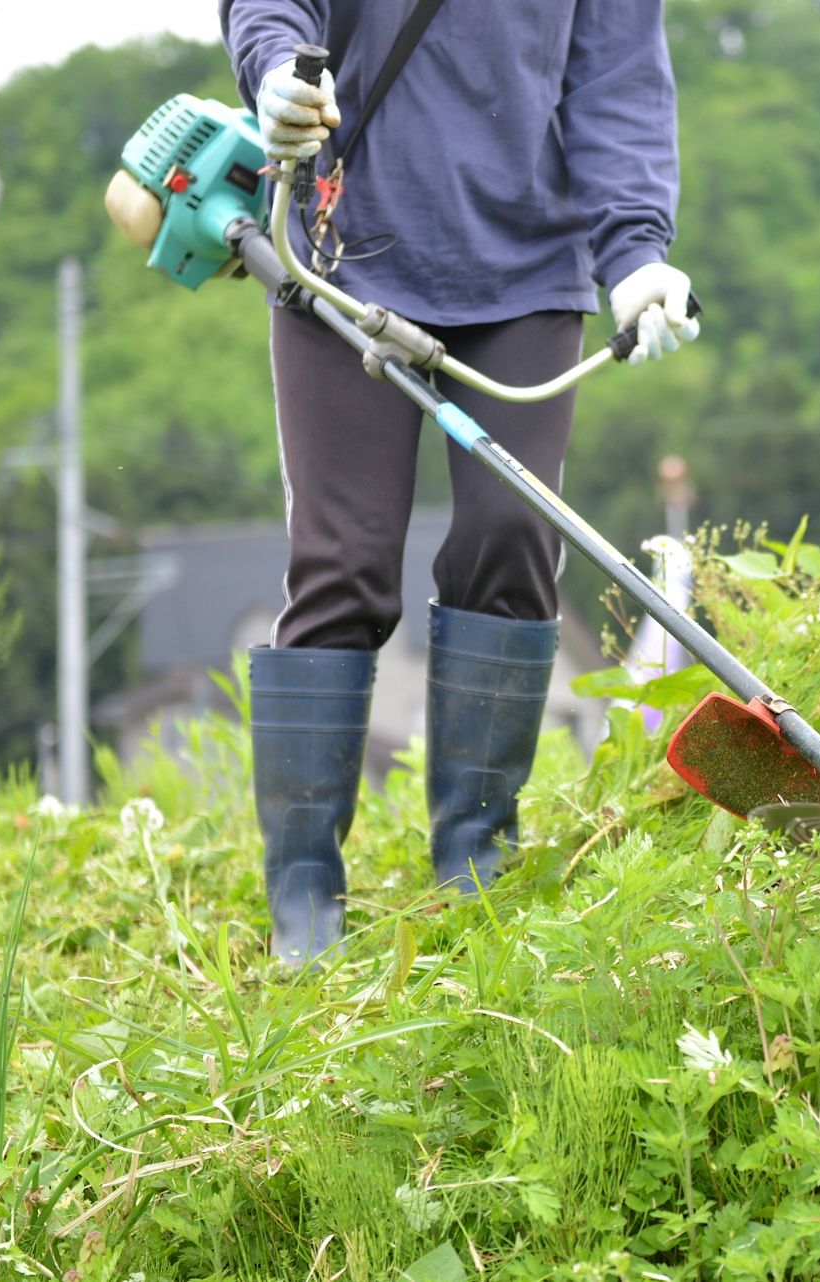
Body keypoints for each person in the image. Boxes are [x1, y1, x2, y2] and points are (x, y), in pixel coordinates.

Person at [219, 0, 699, 963]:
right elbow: (273, 6)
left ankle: (477, 870)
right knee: (342, 564)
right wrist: (274, 70)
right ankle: (304, 898)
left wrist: (638, 252)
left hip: (525, 267)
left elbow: (617, 79)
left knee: (512, 543)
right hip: (342, 254)